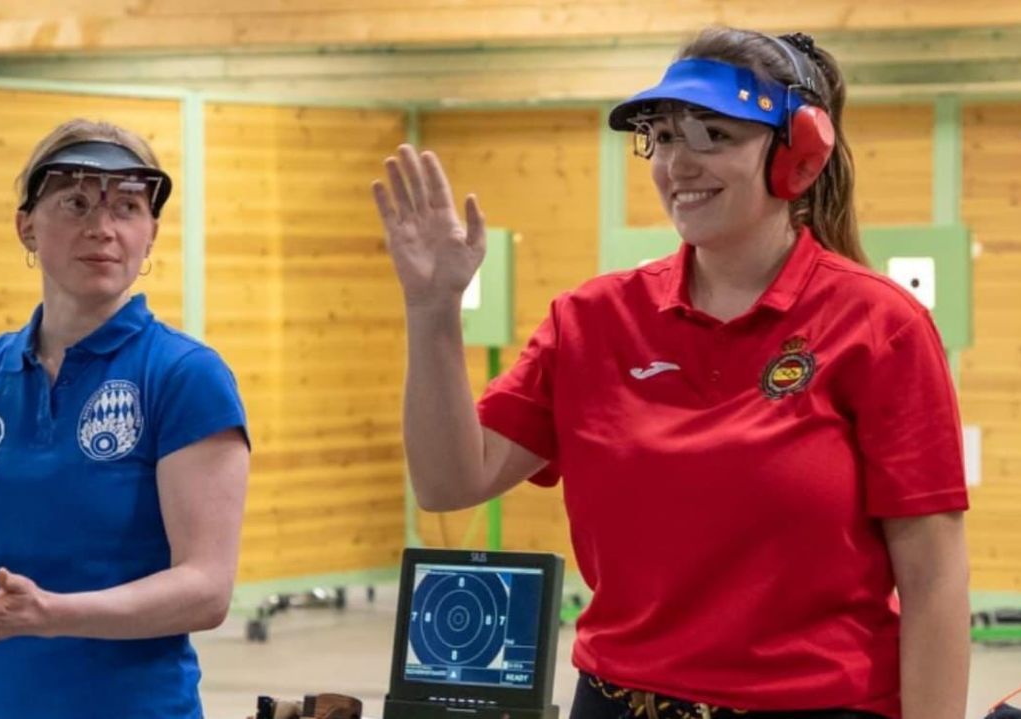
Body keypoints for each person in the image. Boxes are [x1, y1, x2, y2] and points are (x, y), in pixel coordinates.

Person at [371, 26, 969, 719]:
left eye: (715, 135)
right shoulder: (591, 319)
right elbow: (450, 479)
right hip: (618, 702)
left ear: (799, 155)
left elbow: (933, 576)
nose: (680, 163)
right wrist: (433, 307)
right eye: (665, 137)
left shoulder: (879, 325)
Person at [0, 119, 250, 719]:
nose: (102, 228)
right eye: (75, 203)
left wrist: (51, 614)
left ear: (151, 233)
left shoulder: (185, 376)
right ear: (26, 226)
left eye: (127, 206)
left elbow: (205, 591)